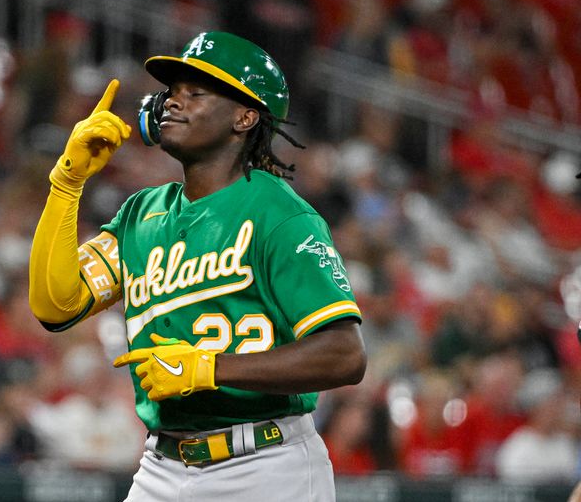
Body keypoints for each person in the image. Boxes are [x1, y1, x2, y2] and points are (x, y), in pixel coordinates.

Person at [29, 31, 366, 501]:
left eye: (196, 93)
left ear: (246, 116)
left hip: (267, 466)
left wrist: (211, 368)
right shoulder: (142, 214)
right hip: (161, 468)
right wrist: (67, 181)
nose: (172, 102)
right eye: (172, 91)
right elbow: (55, 305)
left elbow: (345, 354)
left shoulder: (280, 214)